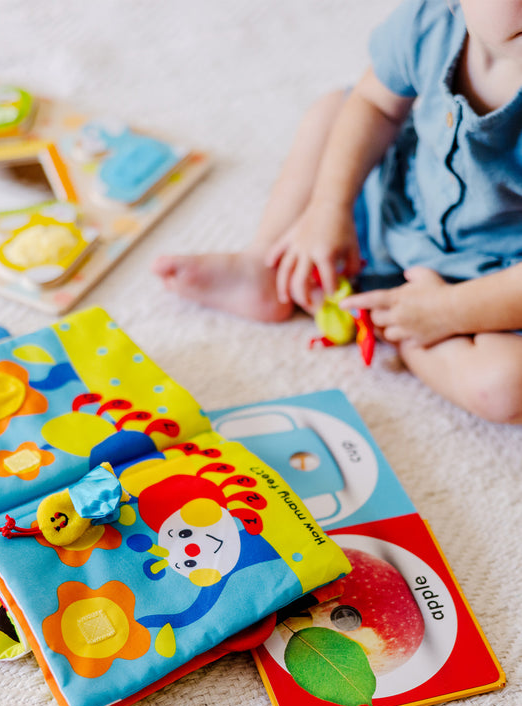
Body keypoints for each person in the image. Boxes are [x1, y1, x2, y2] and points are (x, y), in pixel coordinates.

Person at [153, 0, 522, 424]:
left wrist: (446, 312)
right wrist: (330, 207)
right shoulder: (430, 21)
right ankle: (268, 262)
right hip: (394, 203)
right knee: (335, 110)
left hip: (495, 282)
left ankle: (396, 326)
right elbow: (375, 105)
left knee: (504, 387)